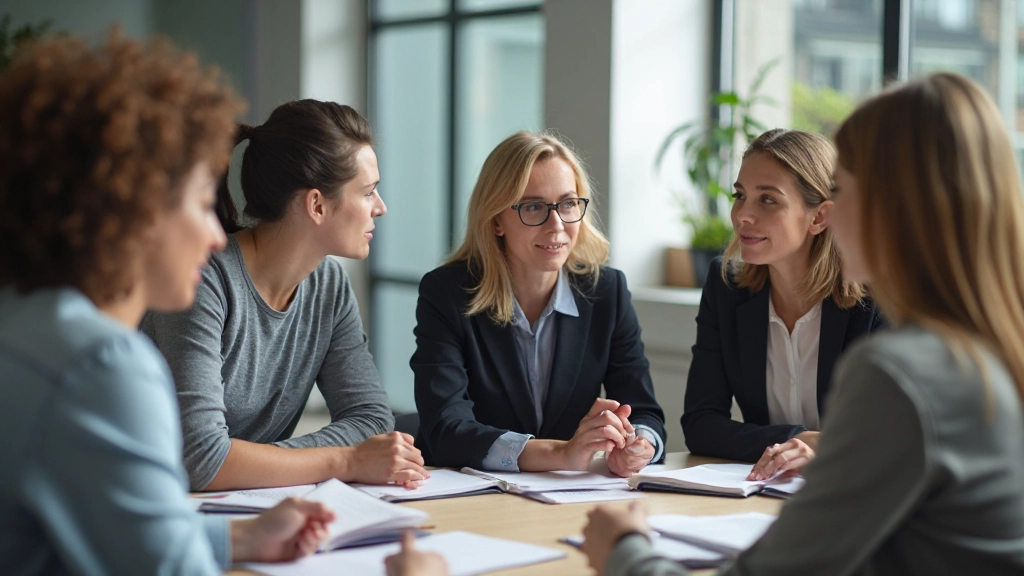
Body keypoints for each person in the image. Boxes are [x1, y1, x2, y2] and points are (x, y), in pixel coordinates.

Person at [580, 72, 1024, 575]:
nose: (835, 213)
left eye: (845, 188)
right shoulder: (984, 351)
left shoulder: (902, 373)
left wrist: (625, 550)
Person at [0, 33, 335, 575]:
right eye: (203, 204)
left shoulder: (24, 321)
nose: (215, 235)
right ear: (133, 210)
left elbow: (112, 520)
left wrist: (240, 537)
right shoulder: (102, 367)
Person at [141, 99, 427, 491]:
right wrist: (345, 460)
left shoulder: (329, 285)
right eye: (368, 192)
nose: (381, 207)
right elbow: (202, 458)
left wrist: (255, 463)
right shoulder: (203, 281)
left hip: (255, 508)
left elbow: (372, 418)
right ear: (317, 205)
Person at [412, 131, 666, 477]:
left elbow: (644, 411)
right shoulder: (447, 293)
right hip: (470, 495)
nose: (557, 225)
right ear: (496, 219)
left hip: (566, 496)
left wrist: (639, 445)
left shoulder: (607, 291)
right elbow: (446, 429)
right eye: (533, 206)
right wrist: (560, 454)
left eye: (568, 203)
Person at [681, 128, 883, 476]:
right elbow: (701, 425)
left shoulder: (876, 297)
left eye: (768, 199)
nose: (742, 214)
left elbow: (887, 436)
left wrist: (822, 450)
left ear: (819, 217)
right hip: (764, 490)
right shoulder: (726, 287)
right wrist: (801, 441)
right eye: (740, 195)